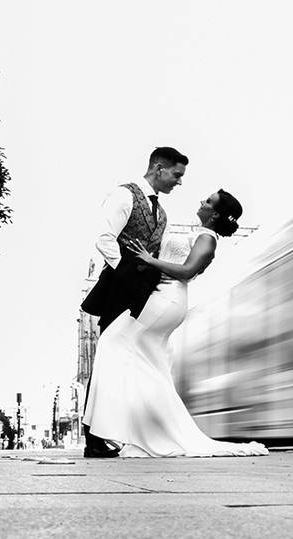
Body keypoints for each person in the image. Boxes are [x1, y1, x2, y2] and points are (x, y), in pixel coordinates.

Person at [82, 189, 268, 458]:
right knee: (149, 365)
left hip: (168, 301)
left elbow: (188, 271)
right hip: (160, 299)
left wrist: (149, 259)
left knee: (112, 343)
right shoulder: (198, 233)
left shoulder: (207, 240)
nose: (201, 202)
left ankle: (112, 431)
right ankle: (138, 431)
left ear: (215, 213)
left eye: (208, 201)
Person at [80, 146, 189, 458]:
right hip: (119, 287)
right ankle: (95, 438)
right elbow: (104, 238)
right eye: (176, 175)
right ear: (158, 168)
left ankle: (116, 432)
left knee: (125, 358)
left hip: (143, 291)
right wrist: (127, 271)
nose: (179, 182)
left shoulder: (163, 213)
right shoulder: (124, 195)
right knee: (108, 356)